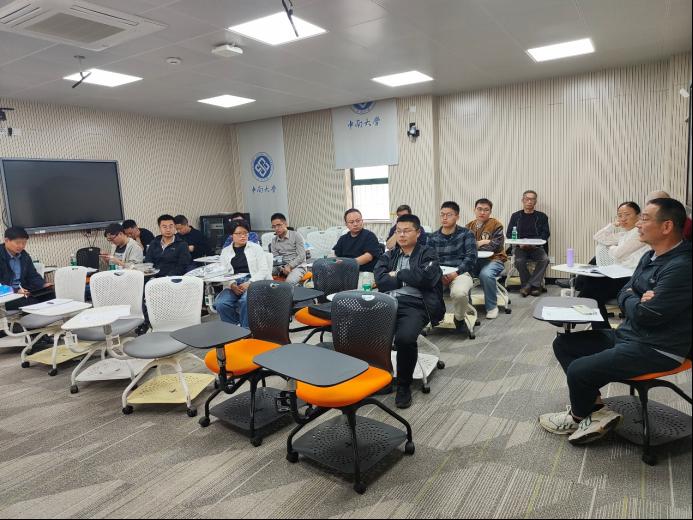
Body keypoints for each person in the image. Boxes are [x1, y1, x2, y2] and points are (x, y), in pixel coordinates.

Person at [539, 198, 691, 445]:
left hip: (658, 348)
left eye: (644, 218)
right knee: (565, 344)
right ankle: (597, 411)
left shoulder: (682, 266)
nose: (638, 224)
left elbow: (647, 314)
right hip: (630, 335)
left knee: (579, 370)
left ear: (666, 226)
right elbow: (625, 292)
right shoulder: (650, 256)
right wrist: (636, 297)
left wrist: (633, 298)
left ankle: (579, 416)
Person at [374, 214, 445, 409]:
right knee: (366, 333)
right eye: (398, 231)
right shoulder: (390, 255)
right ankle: (382, 377)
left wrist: (397, 274)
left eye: (406, 231)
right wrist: (407, 278)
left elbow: (426, 278)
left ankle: (403, 385)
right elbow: (380, 279)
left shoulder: (428, 253)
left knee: (404, 339)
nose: (402, 235)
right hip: (387, 302)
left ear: (418, 232)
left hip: (415, 304)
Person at [577, 202, 649, 327]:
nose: (623, 219)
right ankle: (600, 329)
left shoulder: (639, 233)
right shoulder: (624, 234)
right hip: (619, 273)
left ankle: (585, 315)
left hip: (631, 277)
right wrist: (613, 225)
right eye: (620, 215)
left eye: (627, 215)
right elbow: (598, 236)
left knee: (590, 291)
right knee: (590, 287)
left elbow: (618, 253)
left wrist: (611, 247)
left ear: (638, 216)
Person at [427, 201, 477, 333]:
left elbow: (471, 258)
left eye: (449, 215)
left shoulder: (467, 234)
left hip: (460, 273)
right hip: (438, 274)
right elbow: (428, 260)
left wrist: (456, 273)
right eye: (442, 214)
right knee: (421, 290)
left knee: (459, 293)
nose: (444, 218)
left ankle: (459, 318)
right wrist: (437, 274)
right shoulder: (432, 237)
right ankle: (430, 318)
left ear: (457, 216)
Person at [215, 220, 271, 327]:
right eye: (239, 233)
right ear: (232, 235)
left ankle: (246, 330)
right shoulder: (225, 251)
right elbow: (224, 272)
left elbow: (264, 270)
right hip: (233, 282)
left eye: (245, 233)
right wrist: (232, 284)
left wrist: (250, 283)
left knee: (246, 300)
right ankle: (233, 328)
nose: (243, 236)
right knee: (221, 303)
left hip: (254, 280)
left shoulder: (256, 248)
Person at [466, 198, 507, 319]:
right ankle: (467, 307)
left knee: (486, 274)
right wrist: (482, 242)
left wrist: (476, 245)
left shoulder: (496, 225)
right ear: (474, 210)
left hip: (494, 260)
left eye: (486, 210)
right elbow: (465, 246)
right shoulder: (468, 226)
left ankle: (492, 307)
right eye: (479, 209)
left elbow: (495, 246)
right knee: (462, 274)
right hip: (474, 261)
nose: (482, 212)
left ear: (490, 212)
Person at [506, 190, 550, 297]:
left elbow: (546, 234)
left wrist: (534, 244)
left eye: (532, 199)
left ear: (535, 202)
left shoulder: (542, 216)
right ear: (523, 200)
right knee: (519, 261)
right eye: (527, 199)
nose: (529, 201)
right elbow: (509, 234)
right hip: (520, 247)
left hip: (536, 247)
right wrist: (519, 244)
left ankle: (528, 286)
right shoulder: (515, 216)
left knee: (545, 259)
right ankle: (533, 286)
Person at [0, 227, 53, 310]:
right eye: (18, 243)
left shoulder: (24, 255)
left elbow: (33, 275)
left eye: (24, 243)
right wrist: (15, 290)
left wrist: (43, 284)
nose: (21, 246)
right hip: (6, 295)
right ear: (6, 240)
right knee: (31, 302)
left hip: (24, 291)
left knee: (51, 294)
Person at [269, 213, 307, 285]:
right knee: (263, 274)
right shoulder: (274, 240)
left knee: (289, 283)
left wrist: (290, 266)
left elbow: (302, 256)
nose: (276, 228)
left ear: (286, 224)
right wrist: (282, 268)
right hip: (281, 267)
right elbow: (275, 258)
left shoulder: (296, 235)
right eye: (274, 226)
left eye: (279, 225)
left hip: (297, 266)